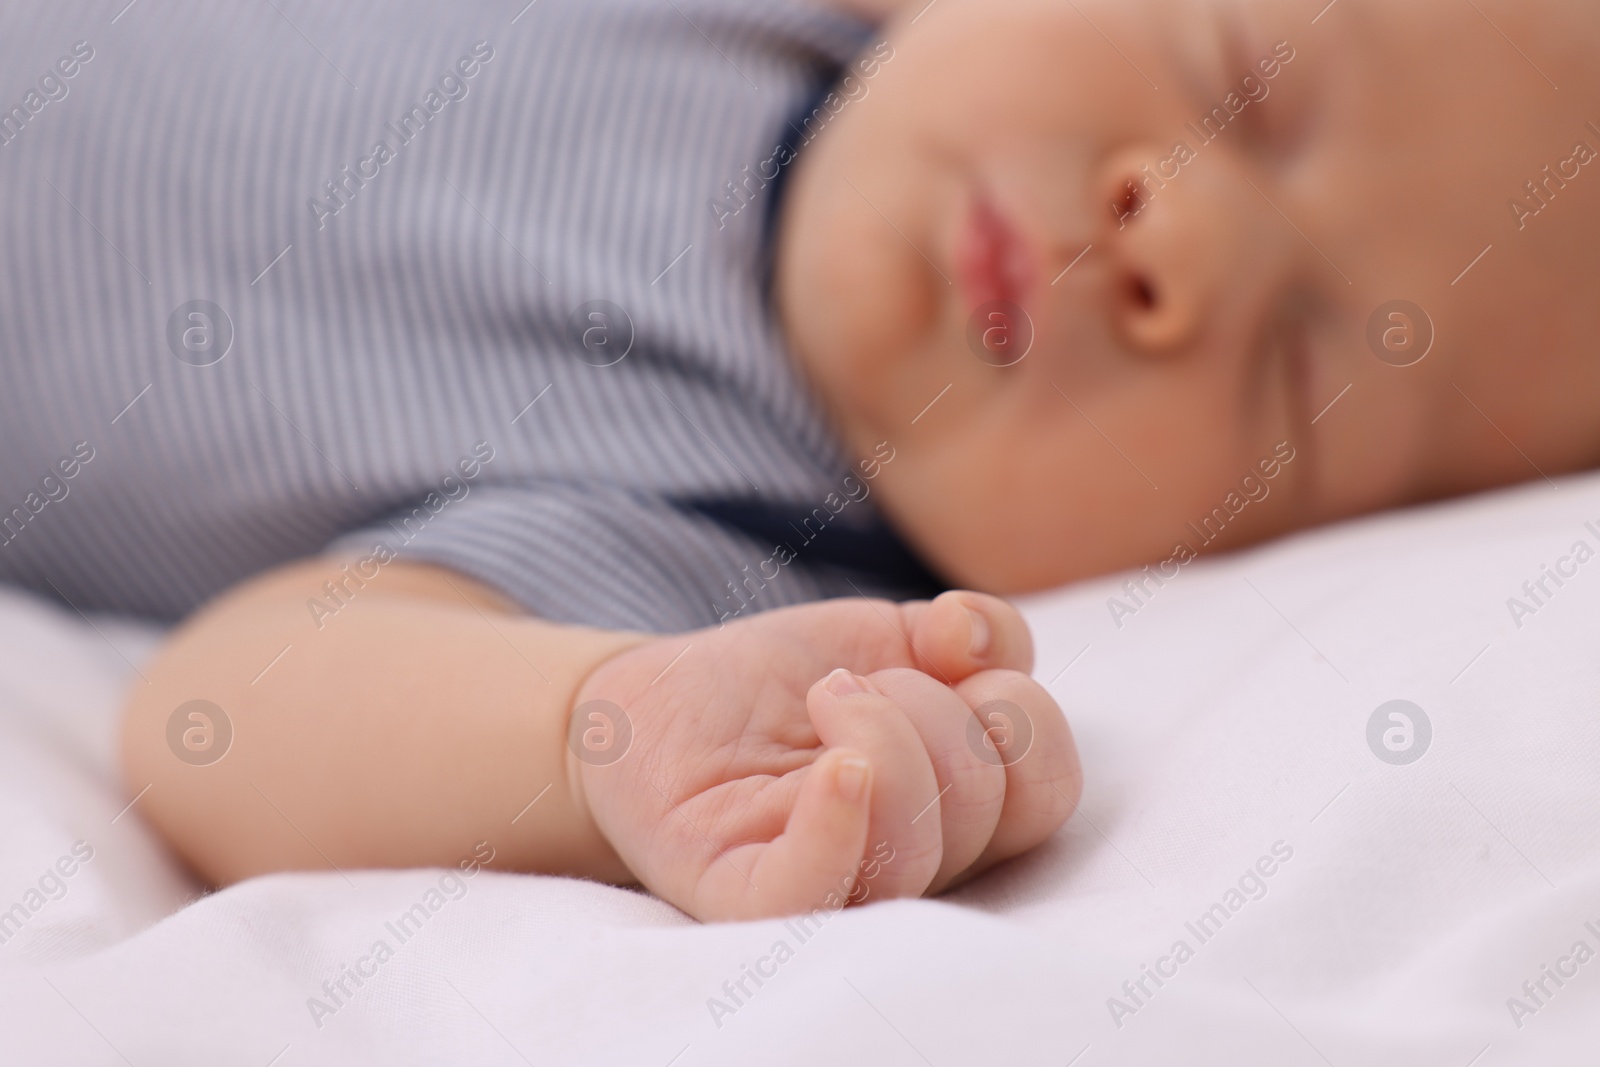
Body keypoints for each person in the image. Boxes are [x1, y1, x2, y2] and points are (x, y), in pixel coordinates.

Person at [1, 0, 1576, 922]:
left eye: (1303, 382)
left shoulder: (726, 539)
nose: (1188, 235)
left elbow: (223, 720)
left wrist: (595, 731)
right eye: (1242, 78)